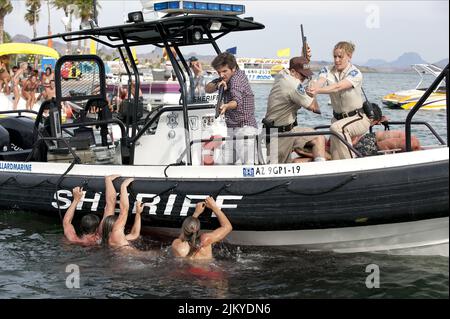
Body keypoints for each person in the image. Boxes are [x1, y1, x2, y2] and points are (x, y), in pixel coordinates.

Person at [307, 41, 371, 160]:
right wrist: (313, 86)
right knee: (336, 157)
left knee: (337, 128)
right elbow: (320, 81)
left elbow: (338, 87)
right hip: (337, 120)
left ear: (349, 56)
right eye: (335, 56)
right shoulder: (326, 70)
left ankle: (353, 166)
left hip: (357, 118)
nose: (336, 60)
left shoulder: (355, 73)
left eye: (340, 57)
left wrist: (317, 90)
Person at [263, 55, 327, 163]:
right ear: (292, 71)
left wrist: (305, 55)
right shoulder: (293, 84)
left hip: (285, 130)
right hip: (279, 136)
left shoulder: (282, 75)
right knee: (278, 170)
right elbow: (315, 108)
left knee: (318, 137)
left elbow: (297, 65)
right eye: (303, 76)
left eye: (306, 76)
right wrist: (313, 91)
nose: (304, 79)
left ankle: (320, 168)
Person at [205, 52, 258, 164]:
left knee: (249, 167)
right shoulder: (227, 78)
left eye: (224, 71)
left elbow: (236, 101)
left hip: (244, 129)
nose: (221, 75)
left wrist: (226, 106)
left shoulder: (236, 81)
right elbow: (207, 88)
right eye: (219, 72)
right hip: (233, 129)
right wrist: (218, 83)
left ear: (233, 68)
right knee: (222, 164)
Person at [62, 174, 120, 246]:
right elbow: (110, 204)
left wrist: (76, 199)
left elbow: (66, 222)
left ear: (81, 226)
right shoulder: (100, 238)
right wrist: (108, 180)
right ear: (96, 229)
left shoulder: (73, 239)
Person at [101, 178, 144, 251]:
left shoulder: (113, 238)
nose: (122, 224)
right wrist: (123, 186)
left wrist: (138, 213)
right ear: (115, 227)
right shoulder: (116, 233)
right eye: (118, 222)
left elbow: (134, 234)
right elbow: (124, 210)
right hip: (137, 257)